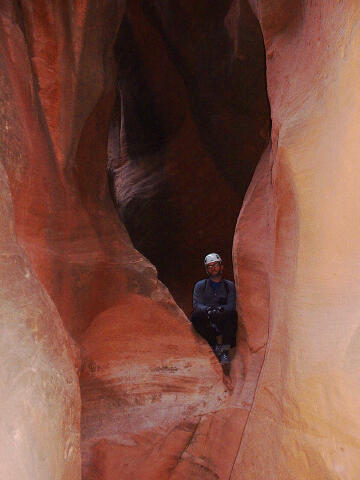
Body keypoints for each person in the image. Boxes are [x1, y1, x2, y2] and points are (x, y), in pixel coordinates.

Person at [190, 253, 238, 365]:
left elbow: (232, 305)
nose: (213, 268)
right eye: (210, 266)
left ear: (221, 266)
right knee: (196, 316)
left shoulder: (229, 286)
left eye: (215, 265)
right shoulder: (201, 285)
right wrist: (209, 310)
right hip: (208, 321)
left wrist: (221, 310)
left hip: (223, 320)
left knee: (232, 314)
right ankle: (215, 346)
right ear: (207, 269)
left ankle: (225, 351)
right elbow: (197, 305)